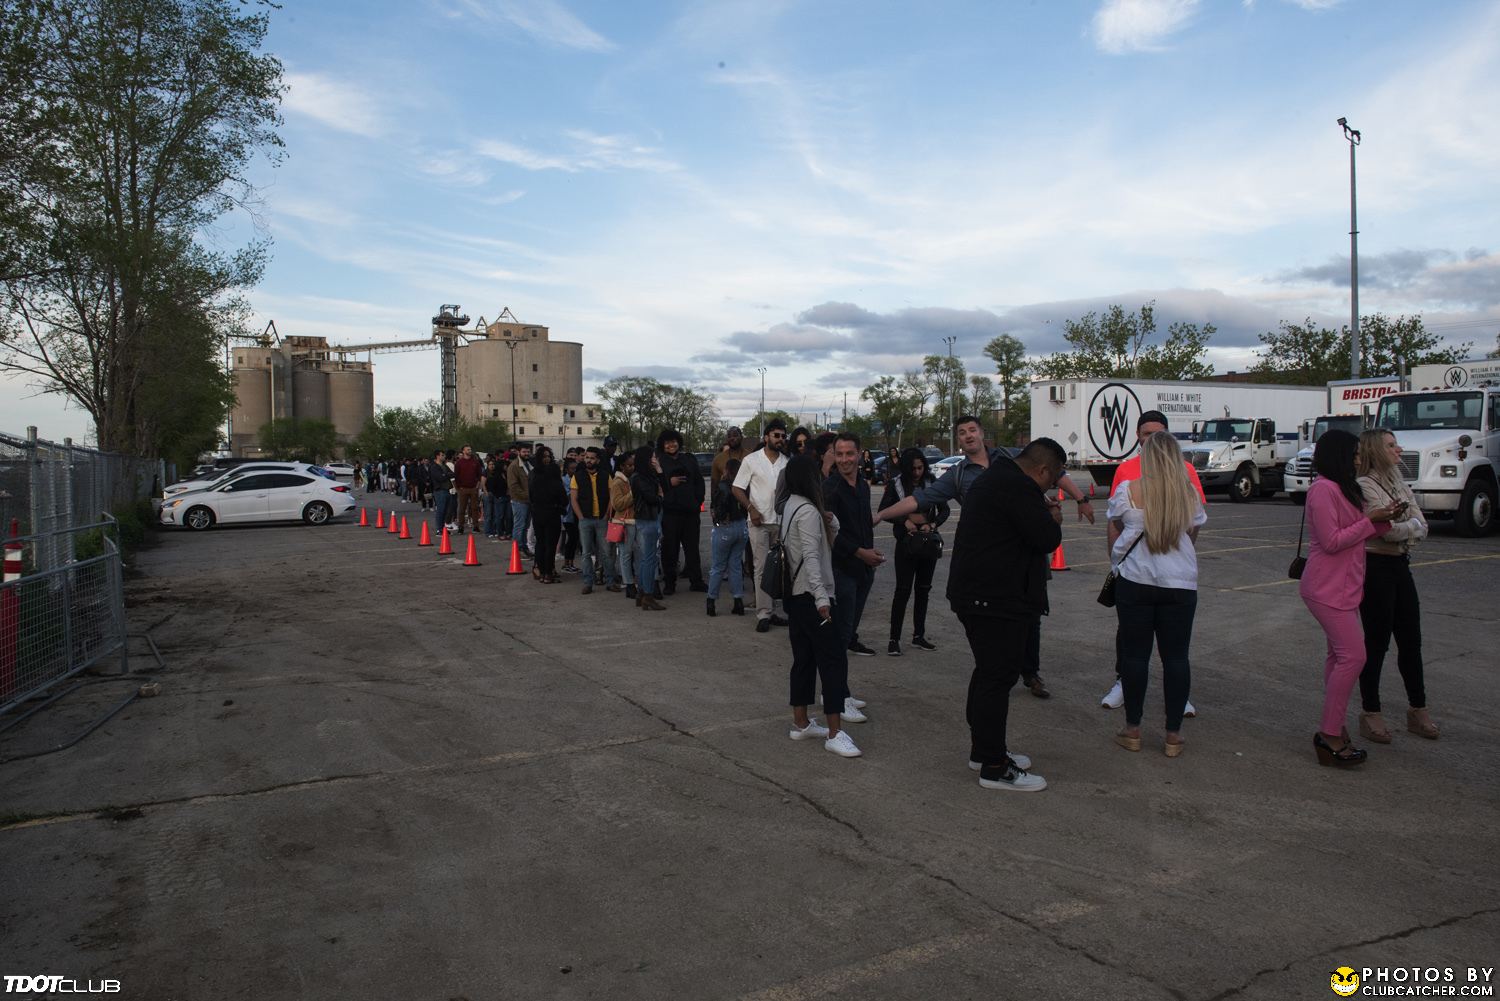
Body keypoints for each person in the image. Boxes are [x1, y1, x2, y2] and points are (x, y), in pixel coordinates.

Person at [875, 415, 1094, 699]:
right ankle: (999, 671)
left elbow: (1054, 470)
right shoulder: (957, 475)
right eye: (961, 432)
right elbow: (919, 500)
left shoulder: (1009, 457)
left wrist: (1081, 498)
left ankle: (1030, 672)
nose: (967, 435)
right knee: (999, 629)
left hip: (1028, 544)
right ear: (958, 439)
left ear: (981, 433)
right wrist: (881, 514)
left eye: (972, 430)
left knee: (1032, 614)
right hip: (995, 557)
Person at [946, 439, 1066, 792]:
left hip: (981, 596)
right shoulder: (1016, 487)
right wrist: (1053, 517)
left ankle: (984, 750)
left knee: (989, 674)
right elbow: (1045, 538)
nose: (1053, 485)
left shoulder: (1000, 477)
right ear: (1042, 470)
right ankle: (995, 766)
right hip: (994, 600)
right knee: (997, 678)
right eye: (1054, 478)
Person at [1300, 429, 1402, 767]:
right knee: (1353, 656)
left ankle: (1335, 726)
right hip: (1326, 587)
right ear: (1340, 455)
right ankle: (1329, 734)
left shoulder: (1346, 488)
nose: (1360, 457)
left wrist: (1385, 520)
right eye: (1355, 453)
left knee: (1339, 657)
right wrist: (1370, 519)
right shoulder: (1322, 490)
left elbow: (1358, 532)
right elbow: (1331, 541)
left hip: (1345, 587)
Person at [1107, 431, 1208, 758]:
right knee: (1176, 657)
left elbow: (1117, 526)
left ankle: (1133, 729)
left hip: (1136, 581)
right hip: (1179, 583)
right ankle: (1173, 735)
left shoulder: (1128, 491)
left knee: (1135, 656)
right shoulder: (1189, 494)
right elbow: (1193, 533)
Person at [1355, 429, 1437, 741]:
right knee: (1376, 642)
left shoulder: (1398, 482)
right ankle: (1371, 711)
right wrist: (1411, 526)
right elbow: (1384, 531)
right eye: (1391, 446)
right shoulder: (1365, 485)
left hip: (1400, 564)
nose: (1398, 450)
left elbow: (1421, 523)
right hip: (1376, 567)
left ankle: (1418, 708)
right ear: (1376, 450)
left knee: (1411, 639)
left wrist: (1410, 526)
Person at [780, 455, 861, 758]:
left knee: (803, 659)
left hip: (795, 596)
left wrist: (832, 520)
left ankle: (801, 723)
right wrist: (822, 599)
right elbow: (813, 558)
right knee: (832, 662)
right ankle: (835, 732)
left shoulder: (791, 506)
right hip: (814, 597)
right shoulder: (809, 512)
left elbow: (824, 541)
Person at [879, 447, 949, 656]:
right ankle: (894, 639)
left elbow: (944, 509)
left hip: (927, 542)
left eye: (920, 468)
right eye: (914, 469)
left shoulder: (932, 482)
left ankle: (919, 635)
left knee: (923, 589)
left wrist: (933, 523)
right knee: (902, 590)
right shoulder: (897, 484)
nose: (918, 472)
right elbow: (883, 511)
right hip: (906, 543)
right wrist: (904, 520)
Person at [825, 434, 884, 671]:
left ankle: (839, 692)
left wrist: (870, 553)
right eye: (839, 454)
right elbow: (832, 535)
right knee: (839, 636)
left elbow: (862, 524)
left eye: (849, 454)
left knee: (849, 634)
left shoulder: (862, 484)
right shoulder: (830, 488)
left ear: (859, 454)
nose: (844, 459)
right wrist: (860, 552)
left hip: (864, 570)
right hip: (842, 572)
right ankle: (836, 696)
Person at [733, 419, 790, 632]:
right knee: (761, 568)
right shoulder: (751, 460)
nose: (780, 440)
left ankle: (774, 611)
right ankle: (763, 613)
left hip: (782, 522)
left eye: (783, 436)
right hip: (758, 522)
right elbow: (737, 488)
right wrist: (751, 508)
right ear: (766, 437)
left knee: (780, 568)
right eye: (776, 435)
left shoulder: (787, 461)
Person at [656, 429, 707, 595]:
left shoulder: (689, 459)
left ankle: (696, 580)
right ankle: (670, 583)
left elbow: (699, 481)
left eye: (674, 441)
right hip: (670, 513)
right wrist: (670, 482)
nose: (671, 445)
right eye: (667, 442)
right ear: (662, 445)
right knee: (670, 549)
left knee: (692, 548)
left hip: (691, 512)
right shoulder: (659, 462)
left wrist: (697, 500)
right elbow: (655, 486)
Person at [706, 457, 748, 617]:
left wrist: (718, 517)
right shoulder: (743, 486)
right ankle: (738, 601)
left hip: (725, 527)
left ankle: (711, 601)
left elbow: (719, 506)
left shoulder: (723, 486)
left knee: (718, 566)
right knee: (735, 565)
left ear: (726, 470)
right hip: (741, 526)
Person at [571, 447, 615, 595]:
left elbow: (611, 498)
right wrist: (581, 518)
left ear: (598, 460)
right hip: (585, 520)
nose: (589, 460)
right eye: (587, 457)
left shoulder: (606, 476)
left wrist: (607, 515)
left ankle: (610, 581)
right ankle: (588, 582)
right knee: (586, 553)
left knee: (607, 552)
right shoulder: (577, 476)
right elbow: (574, 500)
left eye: (592, 458)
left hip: (602, 519)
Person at [629, 445, 666, 611]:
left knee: (646, 559)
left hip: (648, 518)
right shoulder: (639, 477)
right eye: (653, 457)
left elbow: (665, 485)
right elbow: (652, 498)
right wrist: (660, 497)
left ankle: (642, 594)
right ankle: (648, 596)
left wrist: (659, 470)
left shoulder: (646, 475)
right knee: (649, 559)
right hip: (647, 519)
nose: (655, 459)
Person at [528, 447, 566, 583]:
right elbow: (562, 496)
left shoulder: (533, 474)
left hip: (538, 512)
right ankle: (547, 573)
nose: (547, 459)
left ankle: (544, 571)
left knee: (541, 543)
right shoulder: (552, 475)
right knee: (549, 544)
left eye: (549, 456)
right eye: (544, 456)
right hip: (550, 513)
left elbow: (530, 495)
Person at [608, 451, 636, 597]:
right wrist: (632, 494)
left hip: (631, 522)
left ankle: (631, 582)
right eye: (629, 465)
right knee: (625, 555)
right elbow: (617, 504)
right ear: (622, 466)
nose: (632, 468)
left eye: (633, 465)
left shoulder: (628, 480)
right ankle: (628, 583)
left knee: (632, 554)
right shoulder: (618, 482)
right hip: (624, 523)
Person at [506, 443, 533, 560]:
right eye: (524, 452)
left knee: (525, 526)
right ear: (518, 452)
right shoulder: (514, 466)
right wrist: (527, 496)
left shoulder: (528, 464)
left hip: (528, 501)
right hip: (519, 501)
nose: (526, 454)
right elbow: (513, 486)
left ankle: (523, 547)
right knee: (519, 526)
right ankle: (517, 550)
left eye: (528, 452)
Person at [710, 426, 750, 494]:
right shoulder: (718, 459)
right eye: (729, 436)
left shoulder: (750, 457)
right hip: (726, 500)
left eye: (735, 435)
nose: (732, 438)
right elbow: (714, 484)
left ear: (741, 437)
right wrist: (714, 502)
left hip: (746, 499)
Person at [560, 456, 580, 574]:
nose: (574, 471)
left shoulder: (578, 479)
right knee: (571, 538)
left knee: (574, 538)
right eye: (572, 469)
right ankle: (566, 563)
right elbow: (568, 495)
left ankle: (571, 562)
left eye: (576, 468)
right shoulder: (564, 480)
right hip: (568, 514)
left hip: (576, 513)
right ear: (567, 470)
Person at [429, 449, 454, 539]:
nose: (444, 456)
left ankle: (443, 528)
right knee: (441, 510)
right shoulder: (434, 466)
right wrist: (446, 475)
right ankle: (439, 529)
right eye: (442, 455)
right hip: (439, 491)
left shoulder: (444, 465)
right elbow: (440, 477)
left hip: (447, 490)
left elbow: (452, 474)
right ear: (437, 456)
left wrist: (446, 474)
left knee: (446, 511)